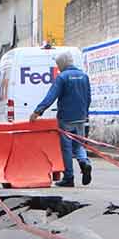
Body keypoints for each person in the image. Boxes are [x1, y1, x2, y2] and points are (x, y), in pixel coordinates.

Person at [32, 50, 93, 187]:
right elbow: (88, 97)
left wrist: (38, 111)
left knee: (66, 148)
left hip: (66, 118)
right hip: (81, 117)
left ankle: (69, 177)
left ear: (62, 64)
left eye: (58, 65)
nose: (58, 67)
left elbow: (51, 96)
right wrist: (85, 113)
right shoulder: (84, 76)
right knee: (79, 145)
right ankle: (85, 162)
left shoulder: (62, 77)